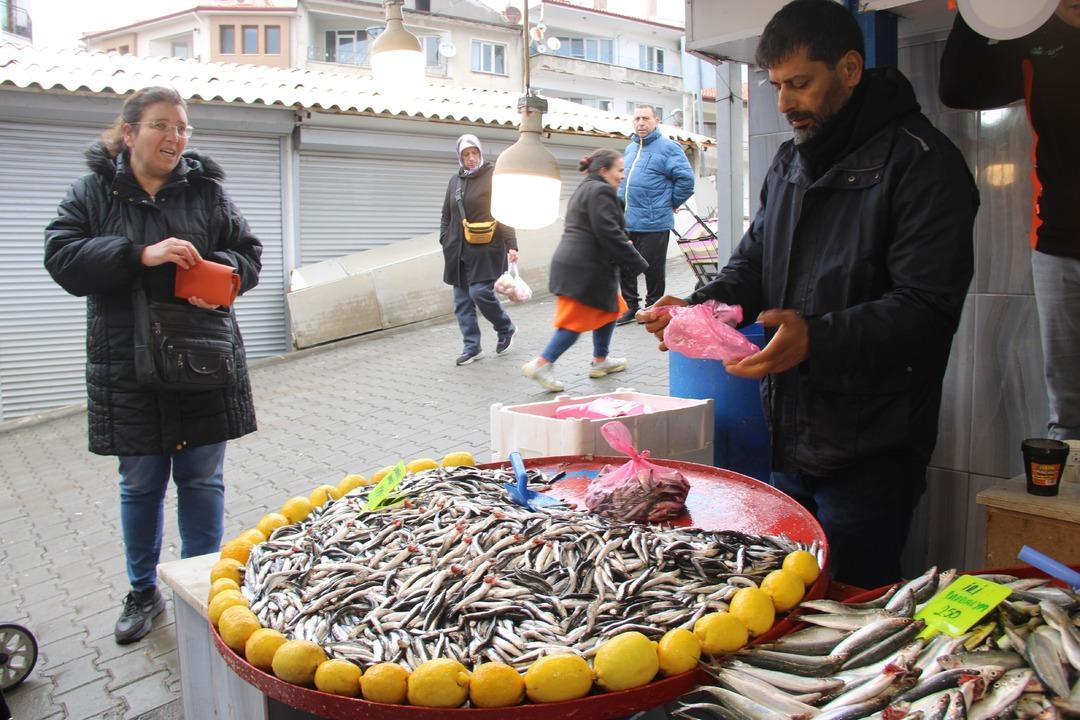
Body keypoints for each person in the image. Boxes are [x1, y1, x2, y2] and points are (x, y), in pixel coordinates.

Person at [639, 0, 978, 588]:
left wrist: (815, 338)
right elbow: (754, 265)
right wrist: (703, 305)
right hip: (792, 432)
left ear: (849, 69)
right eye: (776, 86)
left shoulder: (924, 166)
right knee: (793, 595)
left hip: (876, 444)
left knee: (852, 600)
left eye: (800, 83)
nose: (785, 102)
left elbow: (928, 309)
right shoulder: (792, 162)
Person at [44, 86, 262, 643]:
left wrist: (219, 276)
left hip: (202, 359)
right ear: (129, 132)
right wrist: (139, 253)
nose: (175, 137)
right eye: (162, 125)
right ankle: (143, 591)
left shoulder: (206, 191)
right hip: (129, 365)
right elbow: (62, 258)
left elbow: (248, 256)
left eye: (182, 127)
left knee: (202, 479)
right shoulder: (93, 192)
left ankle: (201, 583)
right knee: (140, 484)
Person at [939, 1, 1079, 441]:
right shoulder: (1039, 35)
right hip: (1058, 243)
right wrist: (978, 8)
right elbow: (960, 88)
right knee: (1070, 413)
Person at [522, 149, 648, 392]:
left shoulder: (585, 188)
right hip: (584, 269)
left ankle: (600, 361)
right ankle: (541, 363)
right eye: (619, 170)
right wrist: (638, 262)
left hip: (584, 265)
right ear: (604, 171)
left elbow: (602, 228)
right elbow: (607, 231)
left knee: (610, 307)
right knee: (573, 322)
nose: (622, 176)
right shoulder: (600, 190)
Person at [439, 134, 518, 366]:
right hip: (457, 251)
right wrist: (444, 238)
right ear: (460, 157)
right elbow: (446, 214)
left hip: (486, 248)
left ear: (480, 153)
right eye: (466, 154)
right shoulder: (455, 180)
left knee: (479, 293)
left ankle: (505, 328)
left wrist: (511, 244)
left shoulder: (492, 176)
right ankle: (471, 347)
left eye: (474, 153)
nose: (471, 158)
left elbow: (504, 210)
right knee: (462, 301)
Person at [615, 105, 695, 325]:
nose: (641, 122)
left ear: (656, 120)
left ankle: (654, 307)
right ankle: (631, 307)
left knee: (652, 268)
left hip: (654, 221)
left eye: (646, 118)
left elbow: (686, 181)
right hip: (627, 221)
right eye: (637, 118)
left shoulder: (669, 148)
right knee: (625, 266)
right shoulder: (630, 149)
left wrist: (669, 203)